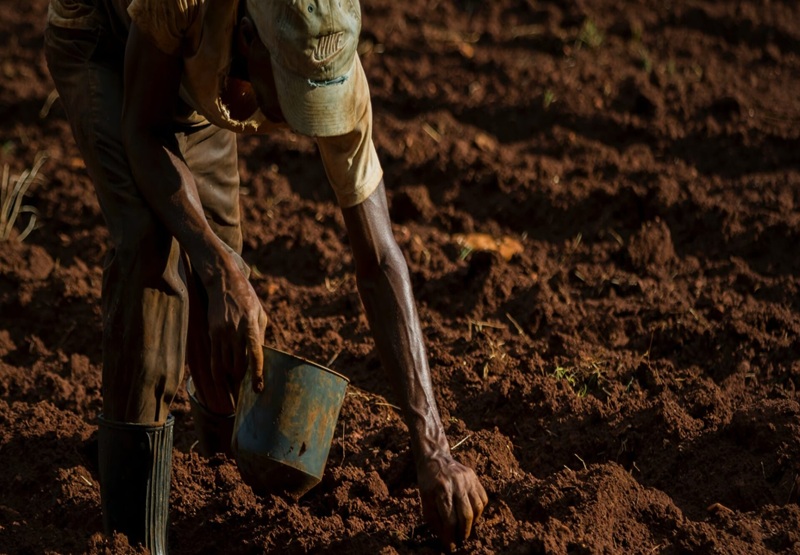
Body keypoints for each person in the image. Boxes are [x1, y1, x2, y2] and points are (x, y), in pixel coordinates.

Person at [44, 0, 487, 552]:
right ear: (250, 37)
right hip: (106, 39)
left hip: (203, 75)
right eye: (295, 94)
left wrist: (434, 448)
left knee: (223, 274)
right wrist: (215, 265)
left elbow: (379, 259)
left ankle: (218, 484)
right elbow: (142, 129)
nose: (305, 121)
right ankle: (133, 534)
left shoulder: (331, 63)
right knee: (151, 252)